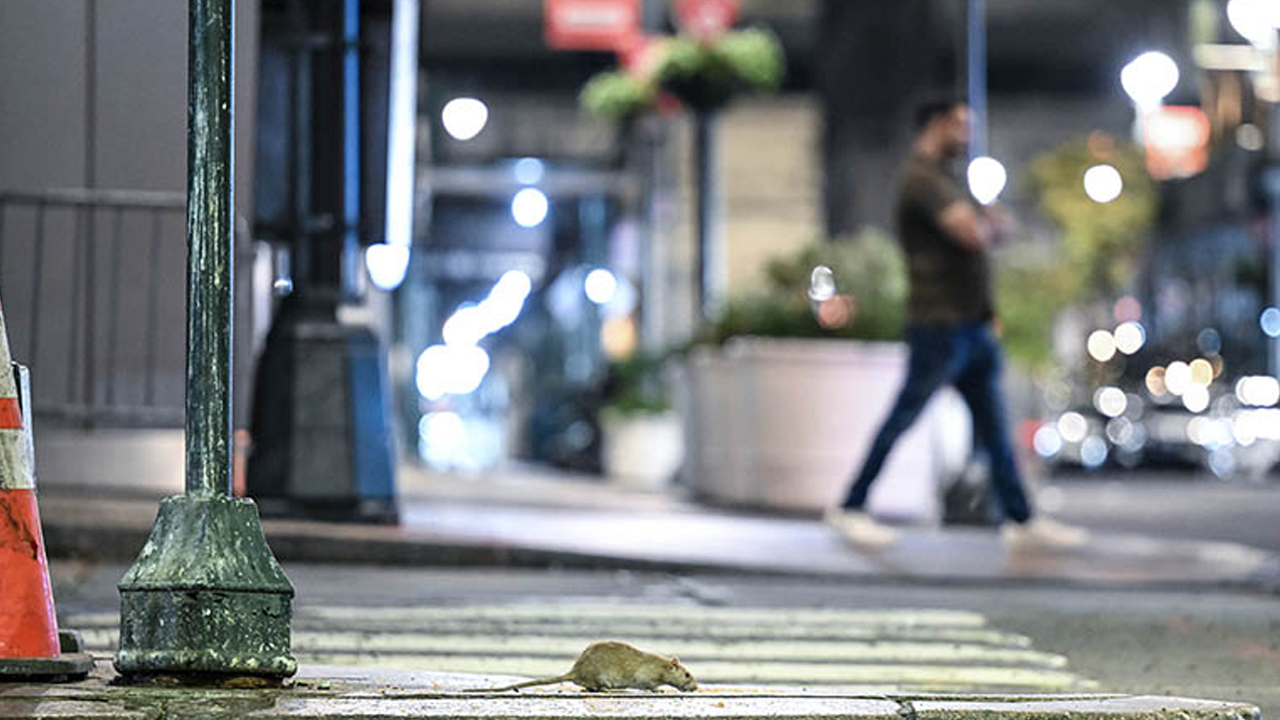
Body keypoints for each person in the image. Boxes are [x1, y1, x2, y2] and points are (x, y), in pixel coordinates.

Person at [824, 99, 1088, 550]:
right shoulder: (922, 180)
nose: (966, 135)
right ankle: (850, 506)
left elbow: (990, 226)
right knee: (902, 418)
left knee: (994, 429)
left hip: (971, 325)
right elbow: (974, 233)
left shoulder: (947, 181)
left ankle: (1021, 521)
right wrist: (986, 227)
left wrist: (986, 225)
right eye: (959, 125)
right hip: (939, 325)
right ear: (935, 125)